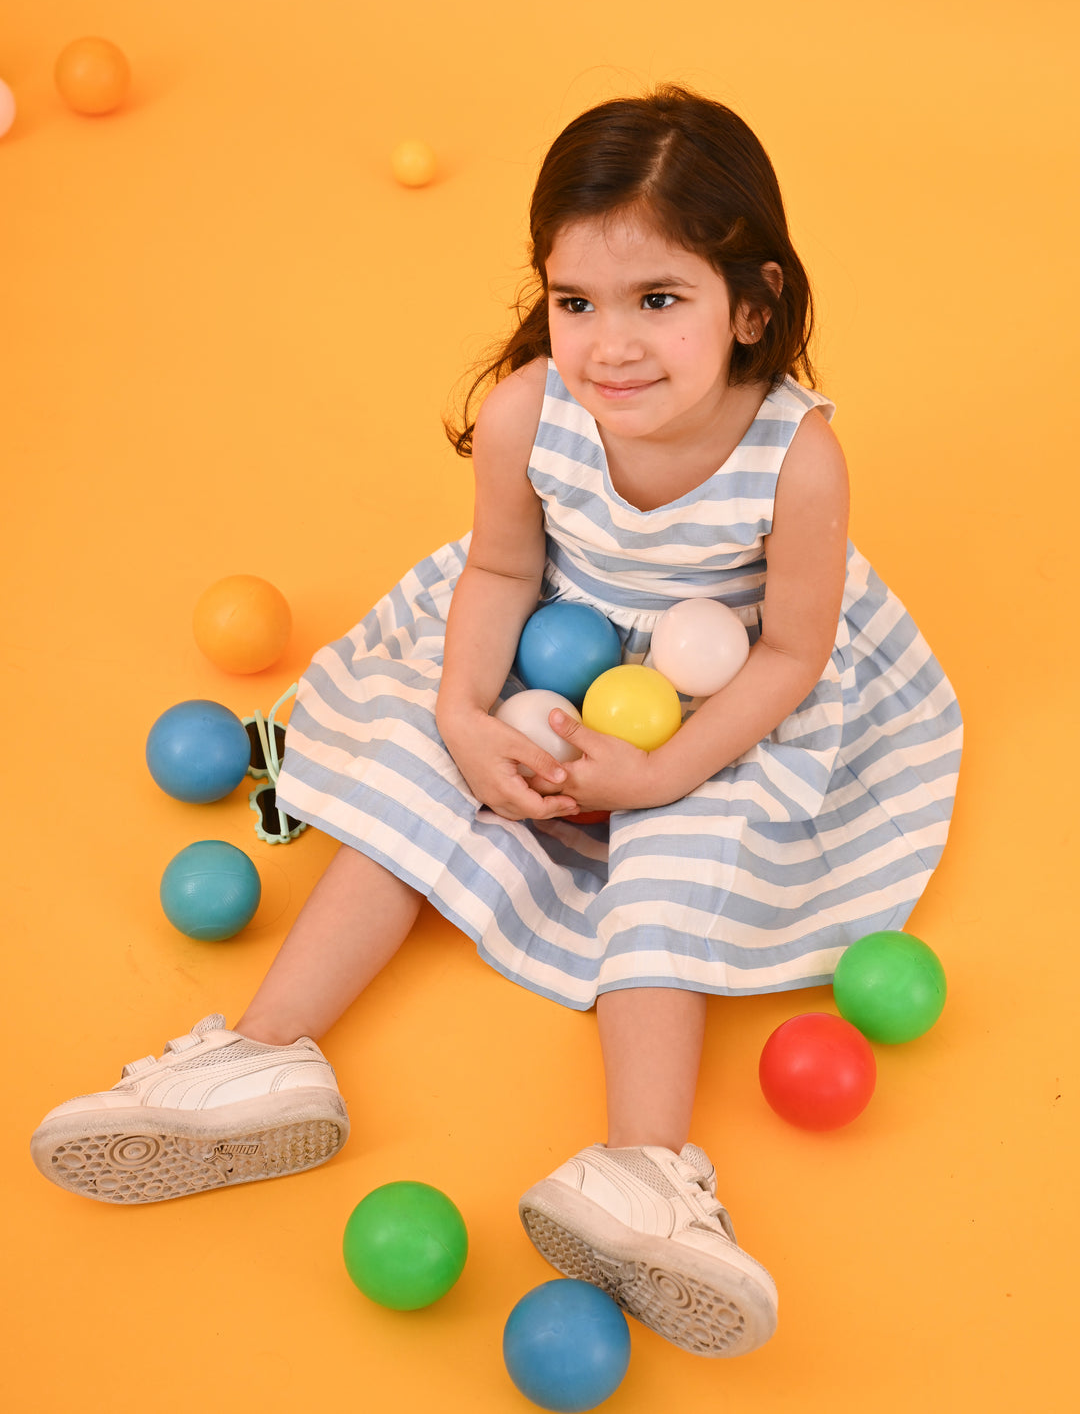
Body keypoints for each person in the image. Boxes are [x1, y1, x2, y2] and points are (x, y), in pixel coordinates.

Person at [31, 85, 963, 1360]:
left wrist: (663, 769)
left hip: (725, 688)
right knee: (415, 770)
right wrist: (467, 715)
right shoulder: (532, 412)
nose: (610, 345)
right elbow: (500, 576)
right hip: (545, 648)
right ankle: (257, 1058)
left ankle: (642, 1171)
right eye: (575, 302)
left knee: (693, 834)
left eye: (658, 302)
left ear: (751, 304)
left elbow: (794, 652)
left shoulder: (797, 458)